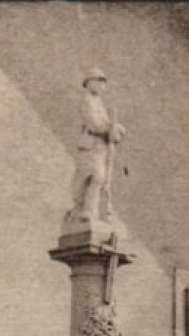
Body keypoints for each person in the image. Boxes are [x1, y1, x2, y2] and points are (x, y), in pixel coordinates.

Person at [68, 68, 125, 226]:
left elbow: (105, 123)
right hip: (90, 143)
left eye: (103, 83)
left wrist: (117, 128)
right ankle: (80, 207)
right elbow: (94, 124)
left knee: (100, 178)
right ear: (90, 82)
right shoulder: (86, 100)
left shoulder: (98, 102)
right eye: (99, 82)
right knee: (89, 175)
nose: (102, 87)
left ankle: (90, 211)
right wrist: (111, 129)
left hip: (101, 145)